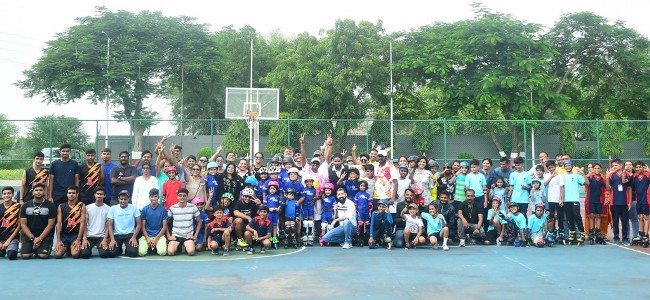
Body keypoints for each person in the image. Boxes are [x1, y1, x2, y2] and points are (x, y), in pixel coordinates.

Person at [20, 183, 56, 259]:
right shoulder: (25, 205)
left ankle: (38, 249)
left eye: (40, 190)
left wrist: (39, 239)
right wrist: (33, 238)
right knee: (25, 256)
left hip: (45, 236)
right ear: (33, 192)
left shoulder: (50, 206)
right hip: (30, 236)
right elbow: (23, 224)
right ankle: (34, 248)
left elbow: (50, 225)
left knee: (43, 255)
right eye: (36, 190)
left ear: (44, 192)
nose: (38, 192)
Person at [167, 188, 202, 256]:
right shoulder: (172, 208)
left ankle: (186, 246)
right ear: (177, 197)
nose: (182, 197)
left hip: (188, 236)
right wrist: (169, 236)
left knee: (191, 252)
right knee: (170, 252)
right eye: (180, 195)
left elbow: (199, 222)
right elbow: (165, 223)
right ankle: (179, 246)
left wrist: (195, 235)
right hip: (176, 235)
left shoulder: (193, 207)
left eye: (184, 196)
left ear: (187, 197)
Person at [106, 190, 141, 257]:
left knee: (133, 253)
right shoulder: (113, 208)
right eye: (121, 199)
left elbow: (139, 223)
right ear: (118, 199)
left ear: (129, 199)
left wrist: (134, 237)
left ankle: (129, 249)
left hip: (130, 235)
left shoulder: (134, 208)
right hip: (117, 235)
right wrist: (112, 239)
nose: (123, 201)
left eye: (125, 199)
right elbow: (109, 225)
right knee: (112, 253)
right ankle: (119, 250)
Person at [54, 186, 86, 259]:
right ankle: (67, 247)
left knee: (75, 254)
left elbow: (82, 223)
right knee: (57, 255)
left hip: (75, 235)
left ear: (77, 194)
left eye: (73, 193)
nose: (71, 195)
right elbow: (58, 223)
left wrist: (78, 239)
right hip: (64, 235)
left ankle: (70, 248)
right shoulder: (61, 206)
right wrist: (58, 240)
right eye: (69, 193)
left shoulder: (81, 206)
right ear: (67, 194)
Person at [80, 187, 111, 259]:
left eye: (101, 194)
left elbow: (108, 226)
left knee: (104, 254)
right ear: (94, 195)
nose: (99, 196)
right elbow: (84, 224)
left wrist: (105, 239)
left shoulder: (108, 209)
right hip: (89, 236)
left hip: (101, 237)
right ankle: (88, 250)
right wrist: (84, 238)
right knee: (84, 255)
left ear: (104, 196)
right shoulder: (88, 207)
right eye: (97, 194)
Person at [48, 143, 81, 207]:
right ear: (60, 152)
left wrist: (76, 193)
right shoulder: (54, 164)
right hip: (57, 194)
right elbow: (51, 180)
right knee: (56, 213)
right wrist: (50, 196)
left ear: (70, 152)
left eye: (67, 151)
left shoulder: (74, 164)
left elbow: (77, 179)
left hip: (70, 194)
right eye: (63, 151)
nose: (65, 153)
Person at [562, 160, 587, 245]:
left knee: (577, 216)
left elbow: (586, 183)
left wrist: (583, 173)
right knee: (569, 218)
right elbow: (561, 189)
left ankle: (582, 233)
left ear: (572, 166)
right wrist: (561, 199)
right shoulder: (563, 176)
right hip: (566, 200)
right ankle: (572, 233)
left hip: (575, 199)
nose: (568, 167)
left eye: (569, 165)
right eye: (566, 166)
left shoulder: (576, 176)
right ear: (564, 167)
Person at [607, 159, 630, 245]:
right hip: (614, 202)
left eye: (615, 165)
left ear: (621, 165)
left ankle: (625, 238)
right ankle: (616, 237)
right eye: (613, 166)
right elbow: (608, 187)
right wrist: (607, 176)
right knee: (615, 221)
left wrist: (629, 202)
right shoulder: (611, 175)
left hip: (624, 202)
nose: (614, 167)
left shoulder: (626, 174)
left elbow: (629, 187)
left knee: (625, 221)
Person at [138, 188, 168, 256]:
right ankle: (150, 247)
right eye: (152, 196)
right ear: (149, 197)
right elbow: (142, 226)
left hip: (159, 236)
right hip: (147, 236)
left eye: (155, 196)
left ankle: (154, 246)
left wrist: (156, 238)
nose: (153, 198)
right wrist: (147, 238)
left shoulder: (163, 210)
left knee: (162, 252)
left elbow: (164, 226)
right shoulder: (145, 209)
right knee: (141, 253)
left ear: (158, 197)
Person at [584, 163, 607, 243]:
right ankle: (591, 232)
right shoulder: (590, 177)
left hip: (599, 199)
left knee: (598, 216)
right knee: (591, 215)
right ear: (593, 169)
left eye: (598, 168)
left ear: (601, 169)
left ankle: (598, 232)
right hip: (591, 199)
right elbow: (585, 182)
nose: (597, 170)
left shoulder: (602, 178)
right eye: (595, 168)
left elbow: (607, 187)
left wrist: (607, 177)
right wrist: (585, 174)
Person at [373, 150, 398, 215]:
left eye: (382, 156)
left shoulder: (391, 167)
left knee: (385, 216)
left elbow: (395, 182)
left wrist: (393, 197)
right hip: (376, 195)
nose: (380, 158)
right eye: (379, 156)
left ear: (386, 157)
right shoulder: (375, 166)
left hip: (386, 195)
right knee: (377, 215)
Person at [465, 159, 488, 229]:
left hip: (480, 197)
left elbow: (484, 188)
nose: (473, 169)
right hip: (472, 198)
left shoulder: (482, 176)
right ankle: (472, 231)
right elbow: (467, 188)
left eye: (474, 167)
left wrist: (485, 200)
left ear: (478, 167)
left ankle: (481, 230)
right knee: (472, 214)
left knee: (481, 214)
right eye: (471, 167)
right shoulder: (468, 176)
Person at [632, 161, 650, 245]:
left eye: (640, 167)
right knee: (640, 217)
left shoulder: (647, 175)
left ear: (643, 167)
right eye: (637, 167)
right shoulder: (634, 177)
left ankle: (646, 235)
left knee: (646, 217)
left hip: (646, 200)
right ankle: (641, 234)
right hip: (638, 200)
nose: (639, 168)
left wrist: (649, 171)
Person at [0, 187, 21, 260]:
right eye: (4, 194)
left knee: (11, 255)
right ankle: (3, 250)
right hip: (1, 238)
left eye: (9, 193)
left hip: (12, 238)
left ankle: (9, 248)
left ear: (12, 195)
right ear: (2, 195)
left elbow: (19, 226)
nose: (6, 195)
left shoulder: (18, 206)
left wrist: (8, 241)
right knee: (0, 254)